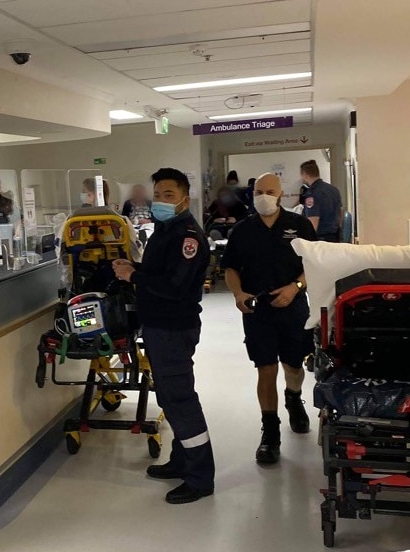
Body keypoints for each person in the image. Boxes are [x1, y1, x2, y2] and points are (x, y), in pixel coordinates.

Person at [112, 167, 214, 505]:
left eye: (168, 195)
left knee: (180, 399)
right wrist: (135, 270)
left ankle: (200, 477)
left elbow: (175, 286)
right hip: (158, 326)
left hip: (173, 327)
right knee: (169, 398)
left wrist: (134, 279)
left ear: (185, 198)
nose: (160, 201)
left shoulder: (187, 236)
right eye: (158, 195)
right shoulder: (165, 230)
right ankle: (182, 459)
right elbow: (160, 274)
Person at [222, 173, 317, 465]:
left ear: (281, 194)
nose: (264, 196)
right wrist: (238, 294)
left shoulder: (298, 226)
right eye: (259, 191)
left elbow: (314, 264)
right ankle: (270, 432)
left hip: (293, 306)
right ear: (252, 195)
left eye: (270, 191)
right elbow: (230, 268)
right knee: (265, 368)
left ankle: (293, 397)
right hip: (257, 309)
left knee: (293, 365)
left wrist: (295, 287)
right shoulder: (241, 231)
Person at [300, 160, 342, 241]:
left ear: (305, 174)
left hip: (321, 238)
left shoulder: (312, 194)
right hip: (335, 236)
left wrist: (308, 241)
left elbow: (313, 222)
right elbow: (340, 213)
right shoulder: (333, 189)